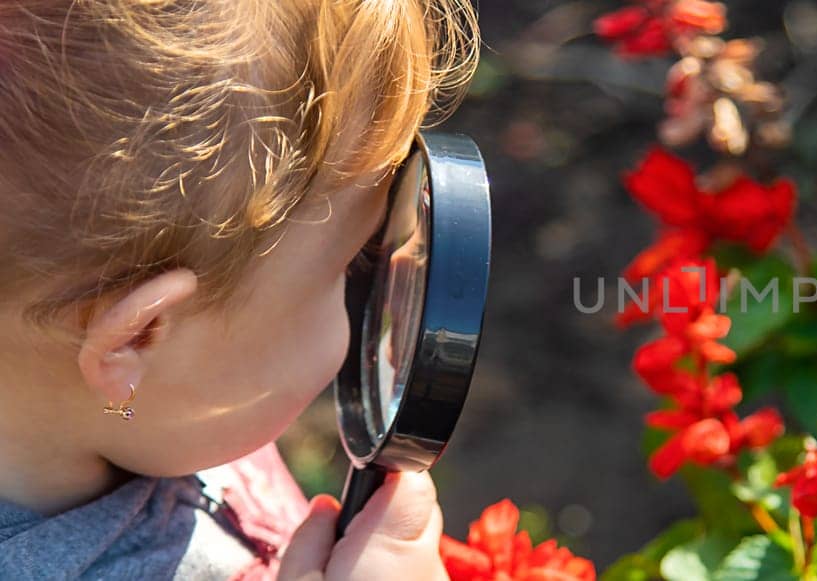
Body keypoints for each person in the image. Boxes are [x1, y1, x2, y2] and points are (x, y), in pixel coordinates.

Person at [0, 1, 479, 578]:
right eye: (345, 268)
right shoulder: (184, 415)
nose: (368, 295)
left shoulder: (172, 411)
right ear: (140, 336)